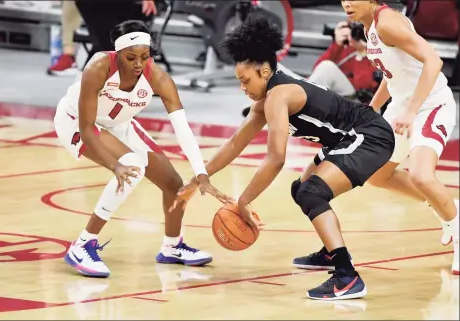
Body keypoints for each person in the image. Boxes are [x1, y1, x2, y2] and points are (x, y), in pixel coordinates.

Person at [171, 14, 396, 300]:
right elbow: (233, 145)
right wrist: (197, 180)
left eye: (245, 81)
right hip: (345, 139)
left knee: (312, 194)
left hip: (368, 135)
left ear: (264, 72)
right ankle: (330, 252)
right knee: (301, 189)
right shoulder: (265, 100)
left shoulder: (279, 95)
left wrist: (244, 201)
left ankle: (347, 276)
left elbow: (276, 159)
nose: (243, 88)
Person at [293, 0, 459, 276]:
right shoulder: (369, 26)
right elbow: (392, 75)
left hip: (430, 104)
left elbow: (434, 61)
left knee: (420, 174)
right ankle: (447, 206)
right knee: (377, 175)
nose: (346, 3)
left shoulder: (388, 22)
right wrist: (371, 109)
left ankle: (455, 224)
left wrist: (412, 109)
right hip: (400, 106)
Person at [54, 20, 231, 278]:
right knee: (132, 166)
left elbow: (183, 129)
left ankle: (172, 246)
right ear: (118, 54)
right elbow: (87, 126)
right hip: (77, 122)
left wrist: (201, 173)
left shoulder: (157, 77)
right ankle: (83, 244)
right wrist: (115, 166)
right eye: (131, 57)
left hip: (119, 124)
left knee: (174, 183)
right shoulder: (99, 66)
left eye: (145, 57)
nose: (139, 64)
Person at [309, 20, 379, 98]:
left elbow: (362, 86)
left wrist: (362, 54)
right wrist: (337, 44)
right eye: (355, 29)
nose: (357, 34)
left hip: (354, 98)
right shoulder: (345, 45)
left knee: (327, 67)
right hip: (333, 93)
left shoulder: (376, 50)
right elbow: (317, 71)